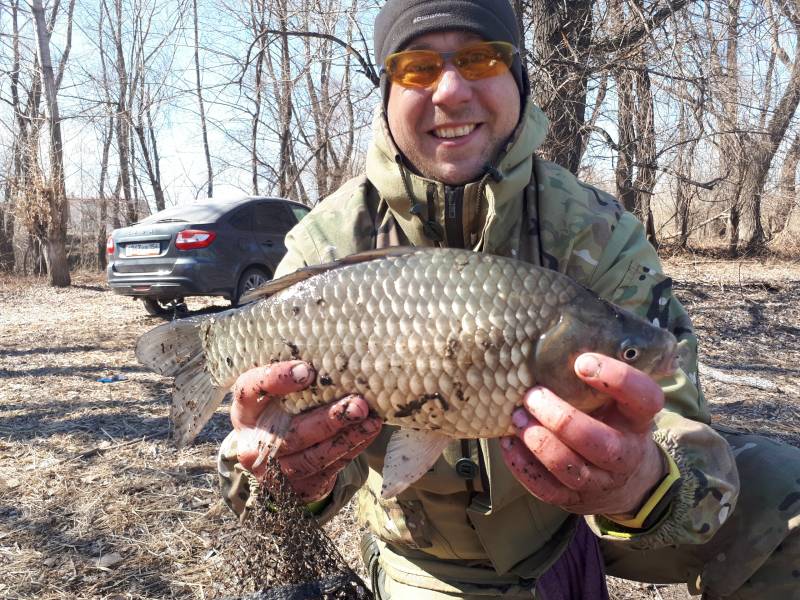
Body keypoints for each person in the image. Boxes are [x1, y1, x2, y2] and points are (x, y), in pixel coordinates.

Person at [217, 1, 800, 598]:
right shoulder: (327, 245)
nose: (450, 91)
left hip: (578, 526)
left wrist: (642, 481)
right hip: (427, 554)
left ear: (517, 77)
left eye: (479, 58)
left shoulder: (595, 232)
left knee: (790, 494)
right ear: (387, 90)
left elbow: (680, 417)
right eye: (417, 67)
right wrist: (279, 471)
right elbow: (264, 479)